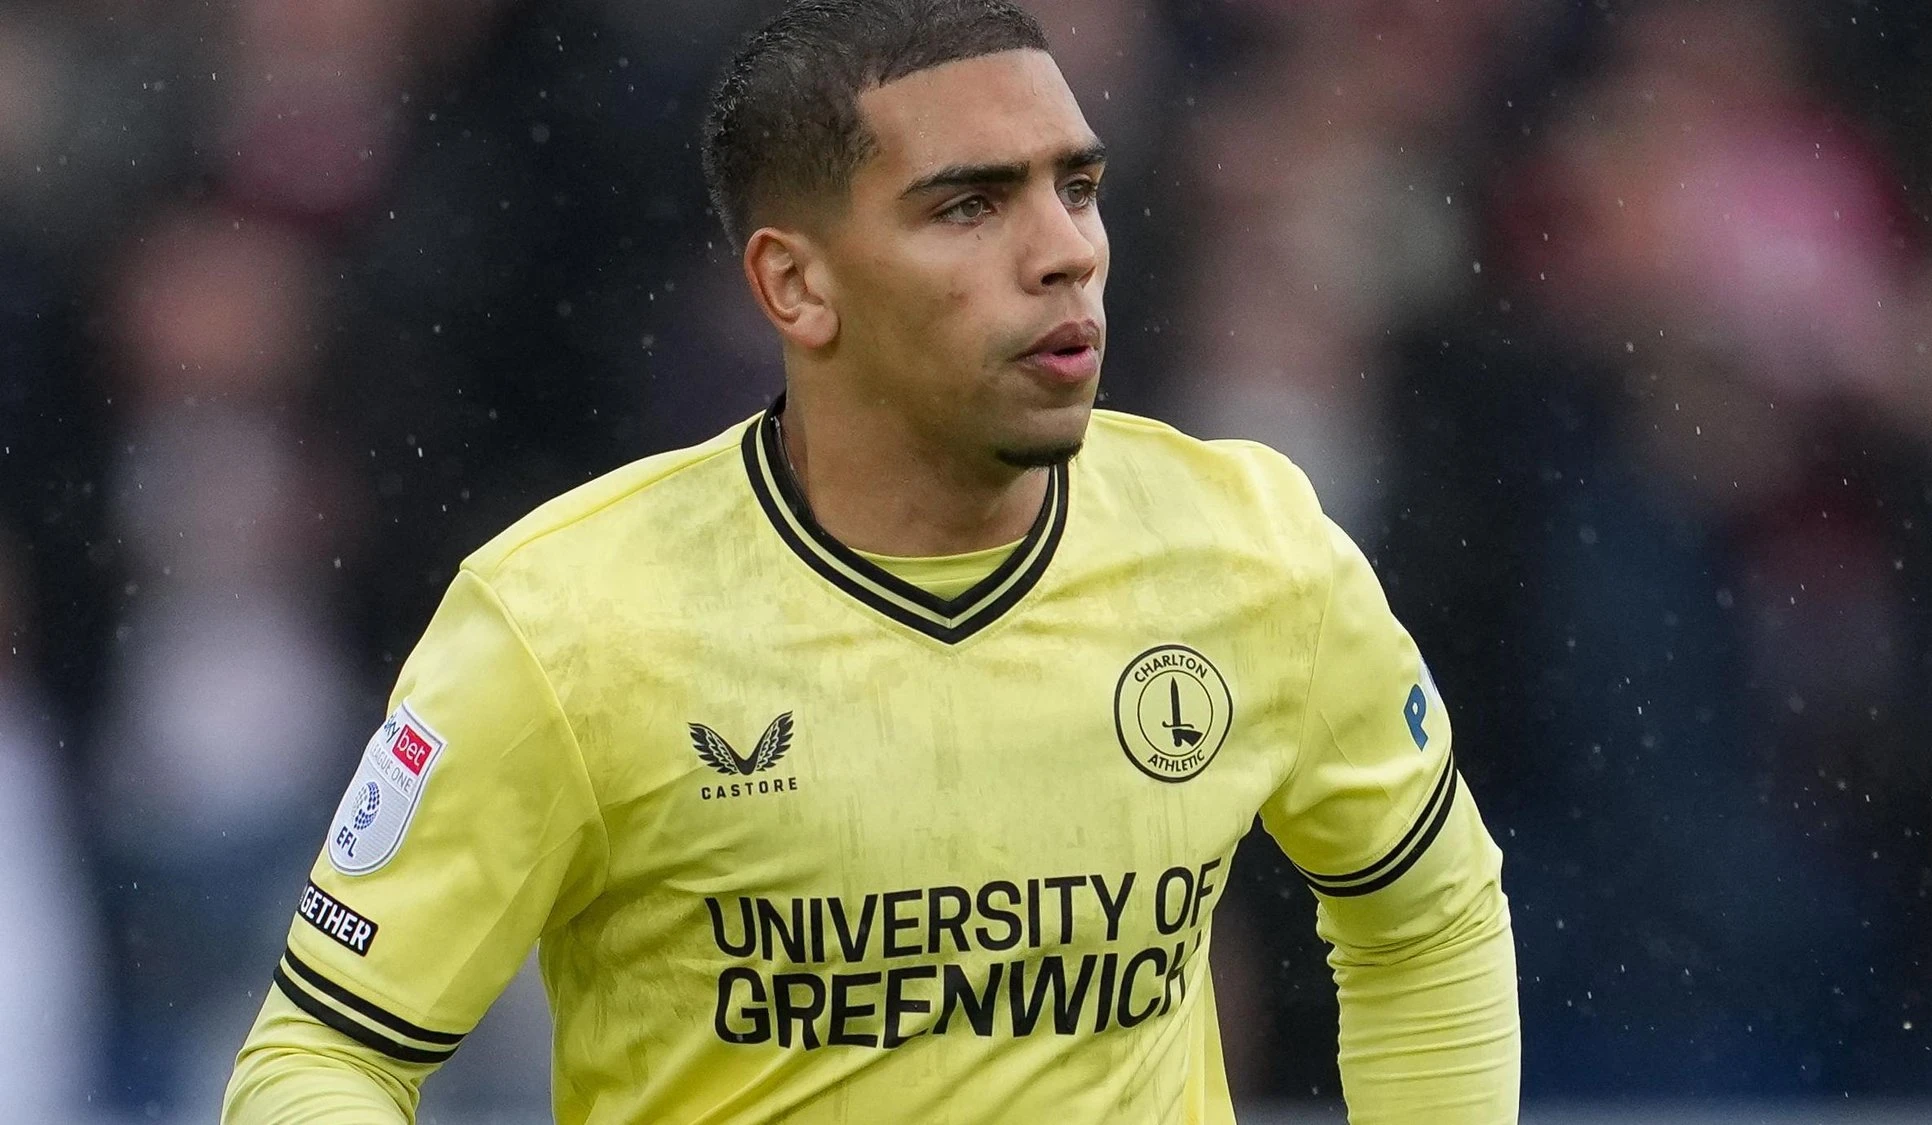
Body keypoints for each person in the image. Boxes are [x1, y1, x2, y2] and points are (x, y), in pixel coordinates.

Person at [222, 2, 1519, 1121]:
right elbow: (322, 1056)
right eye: (971, 205)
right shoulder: (567, 621)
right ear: (796, 286)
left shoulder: (1252, 550)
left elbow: (1432, 921)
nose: (1066, 250)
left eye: (1076, 187)